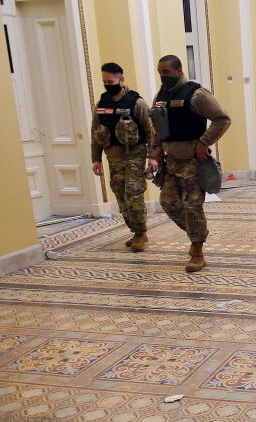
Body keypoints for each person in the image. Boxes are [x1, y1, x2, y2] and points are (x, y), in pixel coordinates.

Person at [149, 55, 230, 272]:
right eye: (160, 72)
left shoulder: (197, 94)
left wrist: (204, 142)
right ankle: (198, 234)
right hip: (171, 161)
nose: (162, 76)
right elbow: (157, 125)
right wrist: (155, 149)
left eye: (166, 72)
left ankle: (197, 251)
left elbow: (222, 119)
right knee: (167, 203)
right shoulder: (161, 94)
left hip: (193, 162)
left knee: (192, 206)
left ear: (178, 70)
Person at [91, 63, 154, 252]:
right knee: (120, 194)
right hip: (113, 158)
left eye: (110, 81)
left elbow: (149, 132)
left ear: (121, 79)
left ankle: (141, 233)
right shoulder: (101, 105)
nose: (107, 85)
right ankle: (135, 231)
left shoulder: (137, 102)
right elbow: (95, 133)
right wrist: (95, 159)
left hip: (135, 156)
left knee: (134, 194)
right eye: (104, 81)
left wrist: (152, 156)